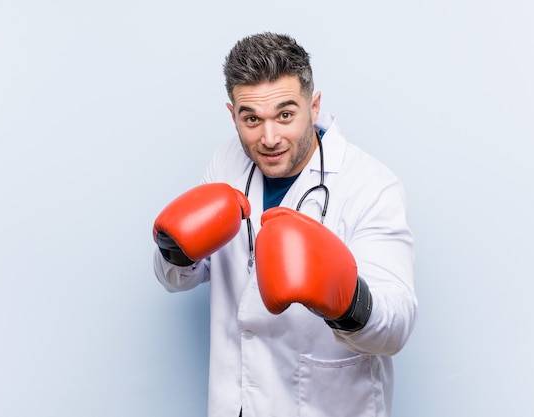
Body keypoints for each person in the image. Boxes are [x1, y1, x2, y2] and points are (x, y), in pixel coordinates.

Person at [152, 32, 417, 417]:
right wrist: (173, 250)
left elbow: (395, 328)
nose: (269, 137)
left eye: (285, 114)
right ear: (233, 115)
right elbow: (180, 278)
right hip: (236, 403)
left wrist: (346, 302)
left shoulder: (370, 185)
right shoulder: (225, 164)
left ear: (314, 104)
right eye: (251, 119)